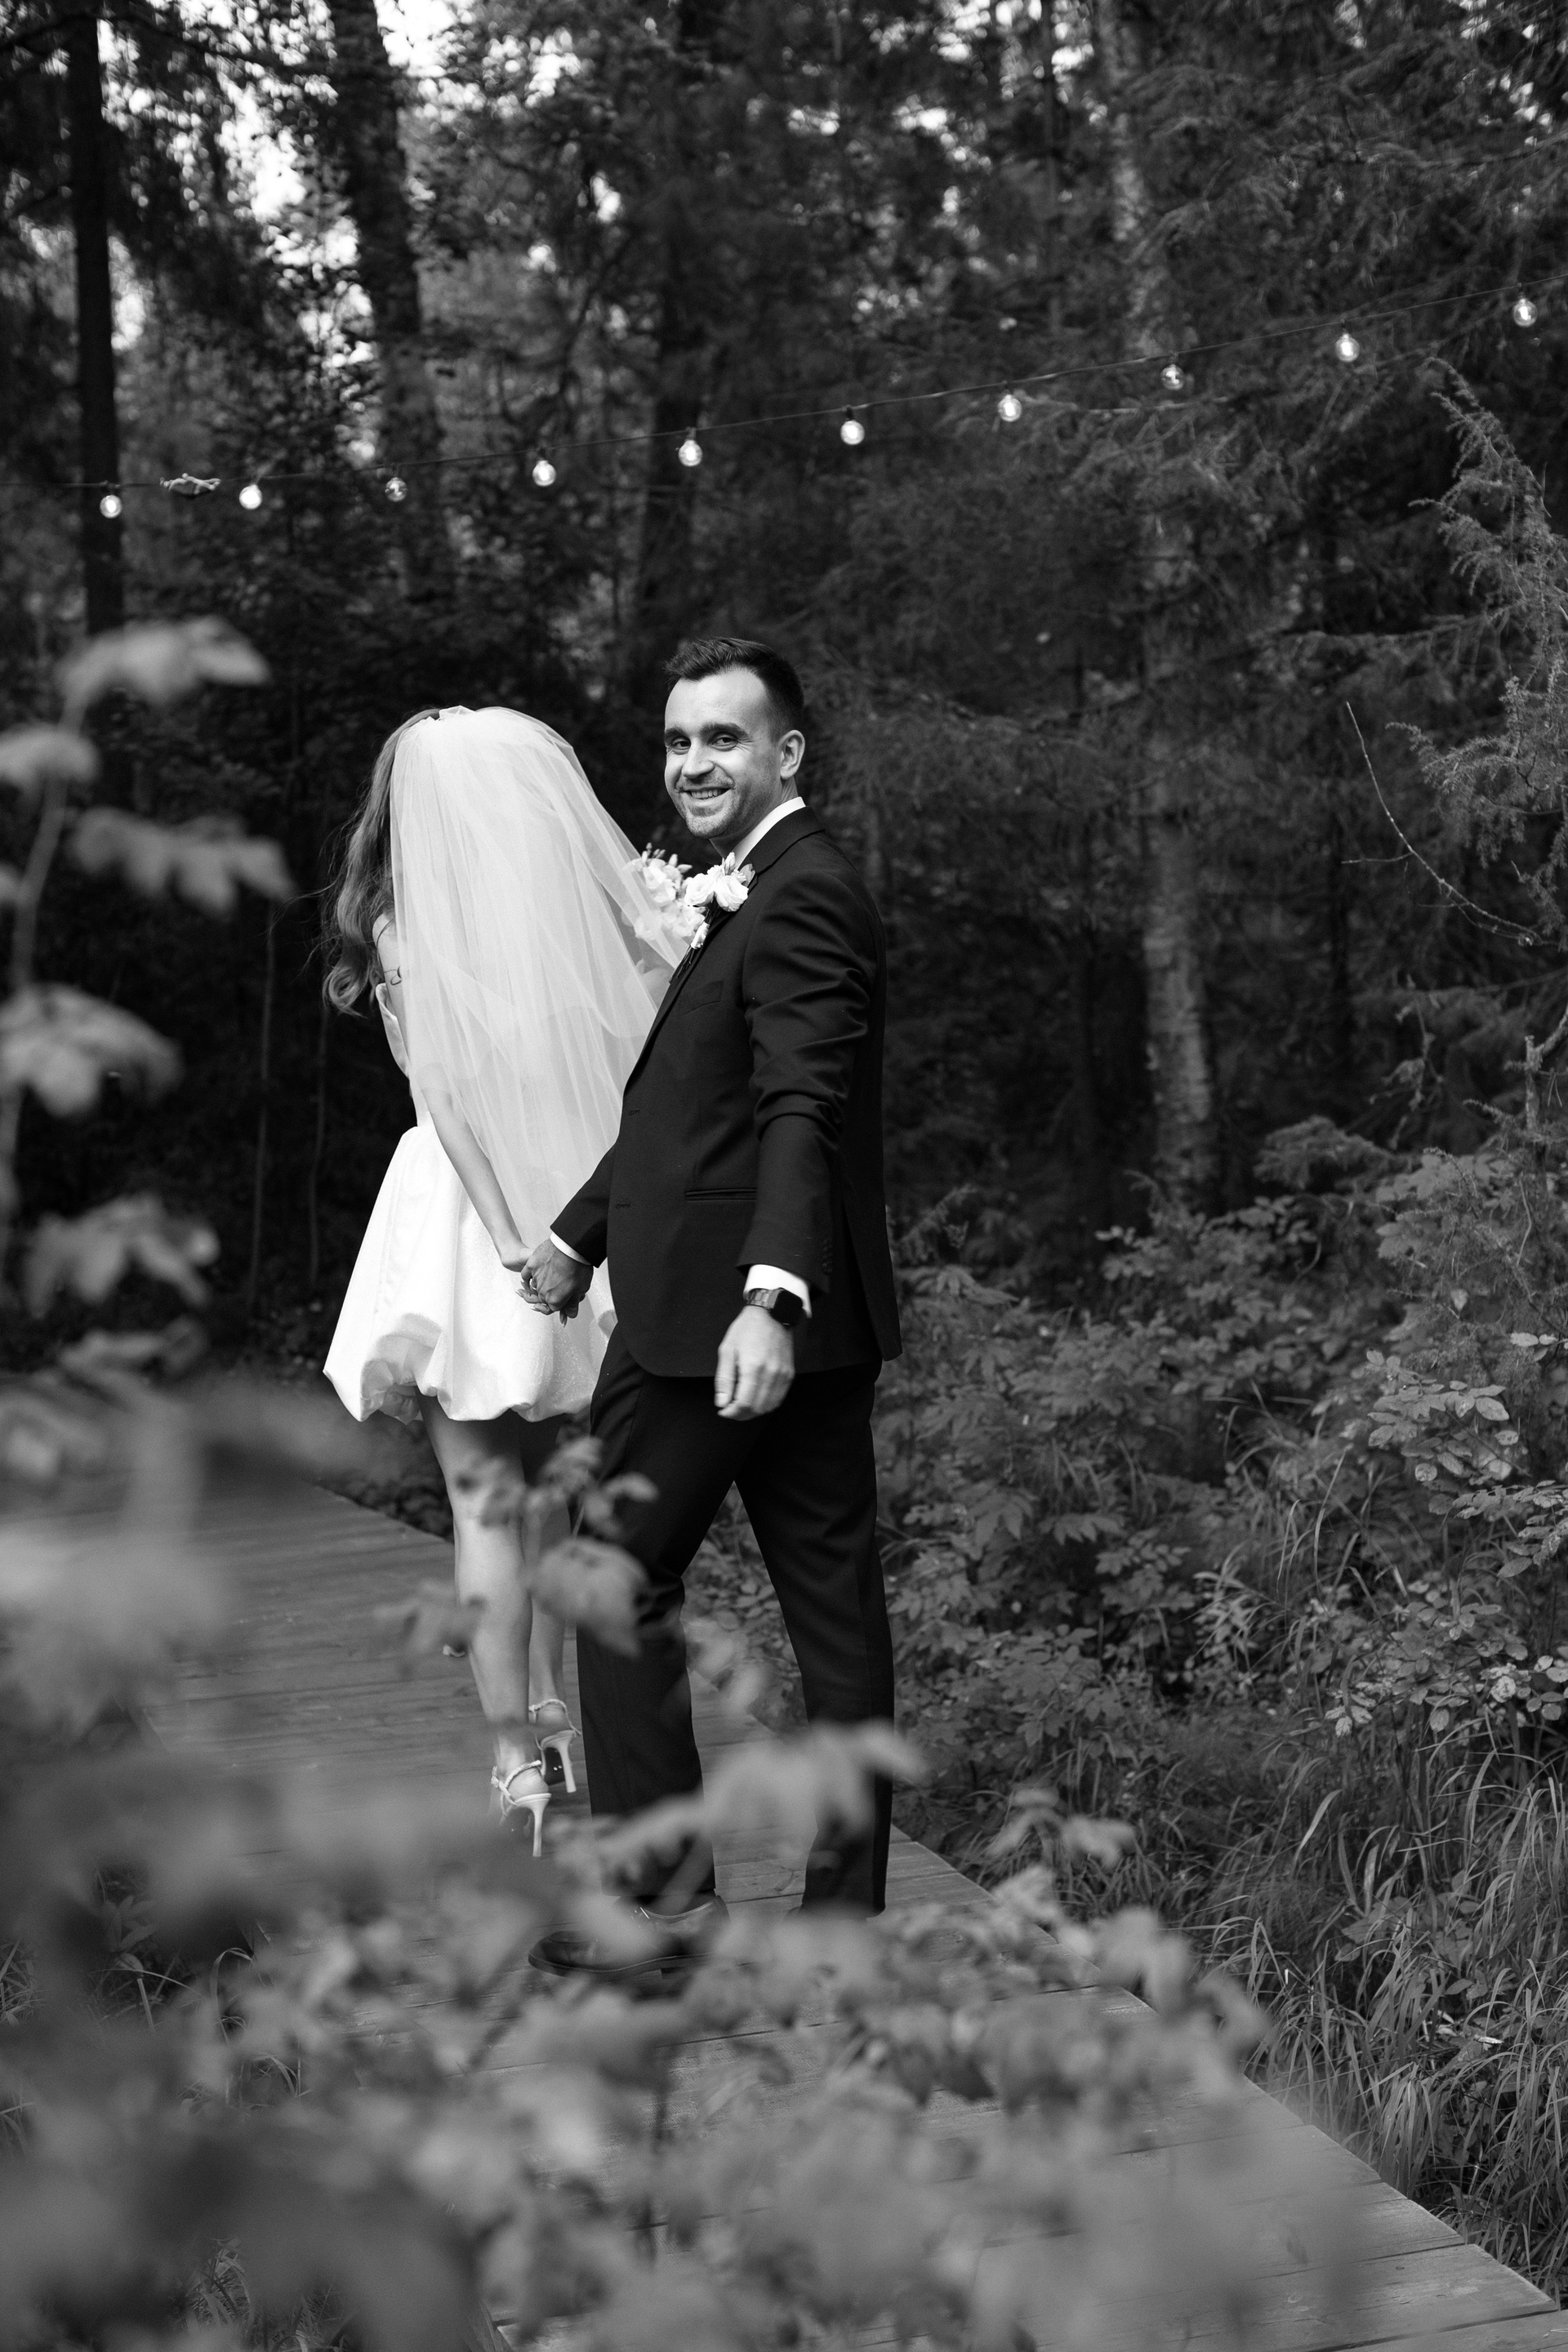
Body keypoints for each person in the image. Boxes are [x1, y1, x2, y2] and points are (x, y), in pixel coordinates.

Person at [522, 637, 902, 1971]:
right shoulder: (755, 888)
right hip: (778, 1311)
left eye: (723, 739)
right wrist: (575, 1234)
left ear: (786, 753)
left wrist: (767, 1299)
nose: (693, 763)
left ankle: (663, 1898)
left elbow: (802, 1108)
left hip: (723, 1323)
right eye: (680, 740)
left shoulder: (803, 895)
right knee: (832, 1609)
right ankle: (839, 1917)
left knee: (612, 1575)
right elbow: (691, 1114)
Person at [321, 705, 683, 1852]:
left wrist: (505, 1233)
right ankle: (555, 1725)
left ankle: (515, 1765)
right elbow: (649, 1018)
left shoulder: (400, 923)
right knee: (550, 1498)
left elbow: (446, 1099)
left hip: (470, 1211)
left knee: (483, 1501)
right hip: (569, 1192)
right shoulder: (560, 918)